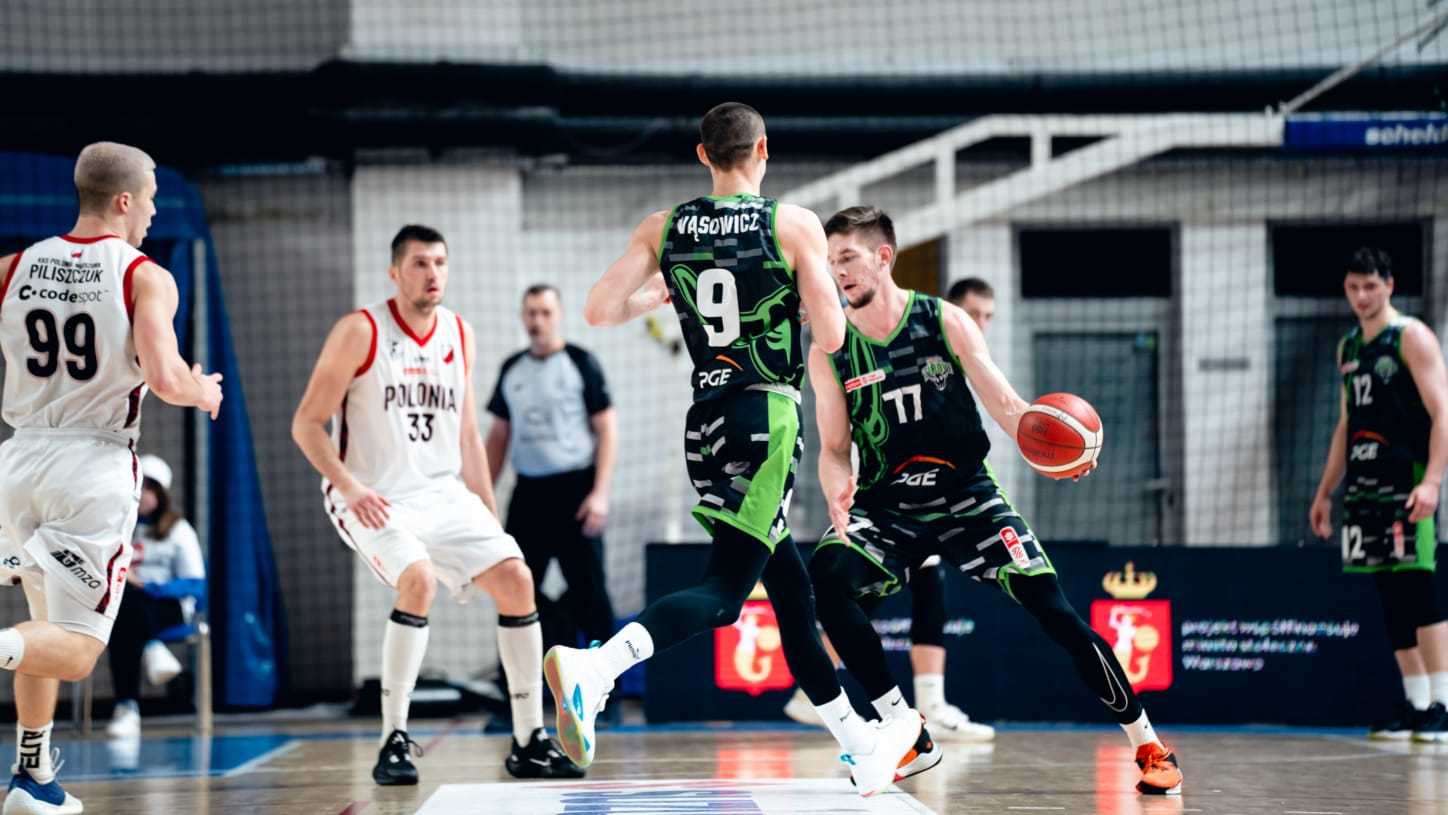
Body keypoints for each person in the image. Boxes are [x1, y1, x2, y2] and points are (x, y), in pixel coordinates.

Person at [543, 102, 926, 798]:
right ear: (763, 149)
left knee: (792, 592)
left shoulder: (664, 227)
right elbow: (834, 337)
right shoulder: (793, 224)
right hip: (765, 415)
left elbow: (597, 310)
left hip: (706, 422)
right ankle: (597, 669)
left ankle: (859, 742)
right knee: (725, 595)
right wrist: (804, 297)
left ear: (702, 155)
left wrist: (661, 294)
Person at [806, 206, 1183, 796]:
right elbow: (834, 449)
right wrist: (836, 482)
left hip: (967, 497)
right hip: (886, 505)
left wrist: (1056, 449)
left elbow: (1007, 407)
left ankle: (1149, 744)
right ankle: (906, 729)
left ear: (883, 256)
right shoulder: (829, 348)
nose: (838, 272)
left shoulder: (945, 321)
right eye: (831, 262)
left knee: (1055, 611)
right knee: (827, 579)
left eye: (848, 258)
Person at [291, 225, 581, 785]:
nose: (433, 274)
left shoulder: (459, 333)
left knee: (518, 578)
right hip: (373, 494)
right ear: (394, 273)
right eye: (420, 263)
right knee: (418, 581)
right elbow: (306, 423)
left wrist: (489, 516)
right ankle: (392, 740)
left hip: (442, 493)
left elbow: (468, 436)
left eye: (440, 263)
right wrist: (349, 487)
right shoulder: (360, 331)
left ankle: (528, 739)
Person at [0, 142, 224, 814]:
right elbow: (165, 376)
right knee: (76, 652)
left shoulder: (13, 267)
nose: (154, 212)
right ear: (125, 200)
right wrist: (203, 389)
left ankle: (31, 776)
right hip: (92, 465)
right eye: (150, 198)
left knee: (43, 625)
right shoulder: (144, 276)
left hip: (18, 458)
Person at [780, 277, 1000, 742]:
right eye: (974, 313)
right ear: (952, 310)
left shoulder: (957, 350)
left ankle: (816, 690)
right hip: (890, 495)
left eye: (988, 317)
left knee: (895, 593)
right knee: (917, 590)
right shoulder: (920, 340)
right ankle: (926, 704)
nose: (981, 323)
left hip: (928, 493)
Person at [1310, 247, 1448, 742]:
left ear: (1389, 285)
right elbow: (1346, 423)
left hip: (1407, 480)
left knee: (1419, 589)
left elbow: (1443, 412)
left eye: (1371, 286)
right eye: (1354, 287)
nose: (1362, 296)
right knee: (1390, 595)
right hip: (1364, 487)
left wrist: (1432, 481)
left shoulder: (1411, 336)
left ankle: (1443, 703)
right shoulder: (1348, 347)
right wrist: (1325, 492)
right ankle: (1416, 705)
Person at [485, 285, 617, 653]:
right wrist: (481, 499)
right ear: (522, 317)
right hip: (529, 495)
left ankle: (607, 682)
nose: (537, 321)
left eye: (545, 313)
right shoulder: (511, 369)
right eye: (531, 313)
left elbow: (607, 429)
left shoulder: (581, 362)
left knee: (591, 591)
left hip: (577, 492)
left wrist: (600, 493)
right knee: (515, 587)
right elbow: (498, 437)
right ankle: (518, 681)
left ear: (558, 316)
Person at [106, 454, 206, 739]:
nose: (143, 494)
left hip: (168, 607)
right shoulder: (117, 528)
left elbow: (195, 585)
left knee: (124, 616)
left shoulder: (178, 530)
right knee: (124, 607)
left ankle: (126, 708)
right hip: (125, 606)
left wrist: (148, 586)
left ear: (161, 493)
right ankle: (152, 648)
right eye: (139, 486)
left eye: (150, 487)